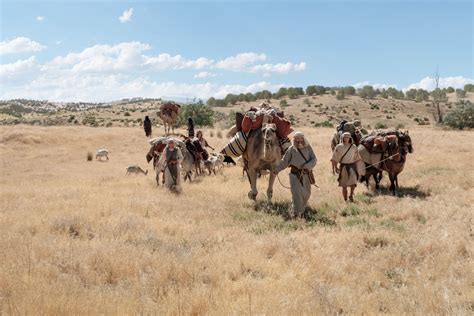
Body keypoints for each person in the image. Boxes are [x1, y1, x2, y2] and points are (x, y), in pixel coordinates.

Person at [273, 132, 317, 218]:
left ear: (303, 138)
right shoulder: (291, 149)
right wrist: (277, 170)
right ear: (294, 139)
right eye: (297, 138)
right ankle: (297, 214)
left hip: (306, 175)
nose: (299, 140)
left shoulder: (308, 148)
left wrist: (307, 166)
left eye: (300, 138)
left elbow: (314, 159)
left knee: (306, 194)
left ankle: (301, 211)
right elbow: (284, 161)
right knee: (297, 195)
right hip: (294, 175)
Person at [331, 132, 362, 202]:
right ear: (342, 138)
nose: (346, 138)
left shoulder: (354, 147)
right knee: (344, 185)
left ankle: (351, 195)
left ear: (350, 138)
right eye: (345, 137)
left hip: (352, 167)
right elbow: (334, 158)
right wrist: (335, 168)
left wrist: (356, 167)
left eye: (348, 137)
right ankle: (345, 200)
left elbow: (358, 158)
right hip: (343, 167)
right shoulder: (338, 146)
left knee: (353, 183)